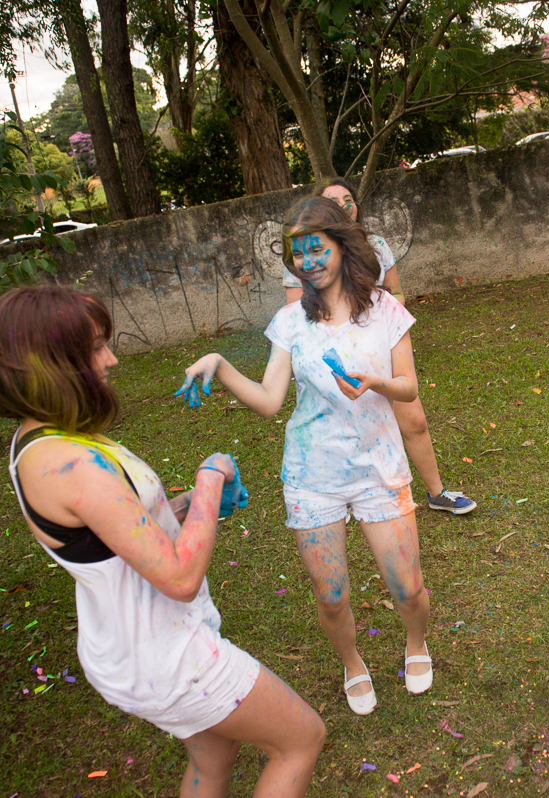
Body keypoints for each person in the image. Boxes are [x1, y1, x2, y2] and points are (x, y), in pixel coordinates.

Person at [0, 285, 324, 798]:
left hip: (130, 648)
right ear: (52, 364)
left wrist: (185, 509)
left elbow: (116, 530)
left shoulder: (45, 438)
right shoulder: (67, 465)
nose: (111, 359)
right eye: (95, 348)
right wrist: (209, 478)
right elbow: (180, 576)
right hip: (167, 658)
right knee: (301, 739)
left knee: (215, 753)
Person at [179, 197, 433, 716]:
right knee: (332, 596)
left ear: (341, 245)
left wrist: (376, 381)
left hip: (379, 469)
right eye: (297, 254)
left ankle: (415, 643)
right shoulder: (291, 321)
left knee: (407, 589)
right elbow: (272, 402)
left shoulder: (385, 309)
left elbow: (407, 388)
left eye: (315, 249)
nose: (307, 261)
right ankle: (353, 664)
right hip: (312, 475)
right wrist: (222, 366)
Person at [283, 178, 477, 517]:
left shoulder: (375, 245)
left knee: (413, 418)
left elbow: (395, 292)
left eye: (348, 198)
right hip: (333, 359)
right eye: (333, 200)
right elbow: (297, 312)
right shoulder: (305, 252)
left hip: (378, 348)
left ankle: (437, 492)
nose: (344, 204)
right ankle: (341, 501)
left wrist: (379, 312)